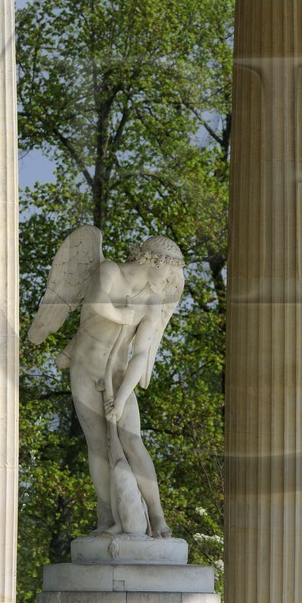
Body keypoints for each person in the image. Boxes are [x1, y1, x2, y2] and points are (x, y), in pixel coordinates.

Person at [28, 229, 184, 539]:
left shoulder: (153, 301)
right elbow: (99, 304)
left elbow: (141, 354)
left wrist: (124, 397)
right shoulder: (109, 270)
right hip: (86, 370)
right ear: (154, 260)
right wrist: (124, 317)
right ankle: (107, 516)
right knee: (98, 446)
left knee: (132, 441)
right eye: (171, 272)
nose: (171, 282)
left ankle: (157, 517)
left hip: (118, 376)